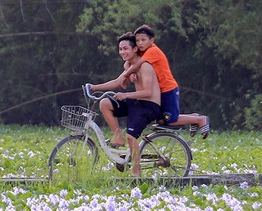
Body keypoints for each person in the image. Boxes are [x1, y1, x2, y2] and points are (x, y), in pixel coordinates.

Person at [88, 33, 162, 176]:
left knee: (131, 135)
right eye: (120, 49)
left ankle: (136, 170)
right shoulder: (131, 65)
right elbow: (117, 82)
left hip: (149, 105)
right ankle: (118, 137)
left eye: (125, 48)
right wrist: (94, 87)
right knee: (105, 103)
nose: (122, 52)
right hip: (137, 102)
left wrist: (126, 95)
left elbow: (147, 92)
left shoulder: (145, 66)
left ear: (135, 49)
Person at [118, 25, 210, 138]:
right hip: (160, 91)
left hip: (168, 89)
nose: (140, 43)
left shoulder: (153, 51)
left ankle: (200, 119)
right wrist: (129, 71)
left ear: (151, 40)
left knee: (170, 120)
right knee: (162, 121)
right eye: (137, 41)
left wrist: (125, 75)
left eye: (143, 40)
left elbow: (136, 64)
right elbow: (128, 62)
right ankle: (194, 117)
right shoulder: (143, 51)